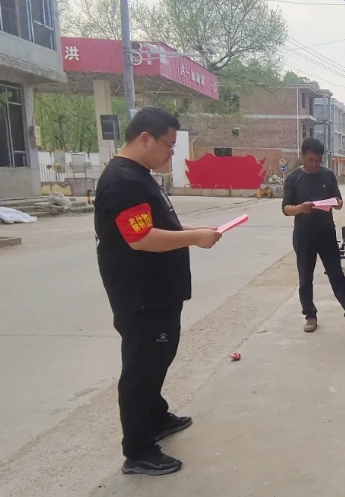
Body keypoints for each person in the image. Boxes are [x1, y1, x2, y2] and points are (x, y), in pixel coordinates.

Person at [94, 106, 222, 475]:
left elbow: (155, 224)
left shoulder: (139, 175)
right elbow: (141, 238)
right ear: (145, 138)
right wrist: (194, 238)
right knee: (143, 367)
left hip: (157, 291)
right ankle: (138, 449)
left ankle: (155, 416)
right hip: (141, 295)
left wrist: (193, 230)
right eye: (168, 145)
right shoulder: (122, 181)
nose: (170, 153)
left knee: (158, 358)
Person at [282, 137, 345, 333]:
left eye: (318, 160)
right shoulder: (294, 178)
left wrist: (337, 203)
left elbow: (339, 201)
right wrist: (300, 209)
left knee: (337, 275)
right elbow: (285, 208)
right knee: (305, 277)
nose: (315, 164)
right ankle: (310, 316)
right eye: (311, 160)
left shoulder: (328, 175)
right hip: (304, 234)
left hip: (326, 232)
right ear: (303, 156)